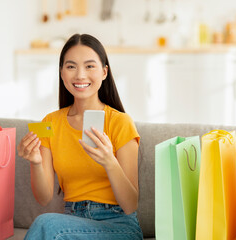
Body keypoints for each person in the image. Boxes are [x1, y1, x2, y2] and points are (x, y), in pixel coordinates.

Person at [17, 33, 143, 240]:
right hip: (72, 221)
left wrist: (109, 161)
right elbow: (43, 197)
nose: (80, 75)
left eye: (90, 66)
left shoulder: (120, 122)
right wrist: (36, 162)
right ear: (61, 73)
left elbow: (130, 205)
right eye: (71, 66)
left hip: (118, 225)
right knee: (48, 225)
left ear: (104, 72)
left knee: (46, 225)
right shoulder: (49, 123)